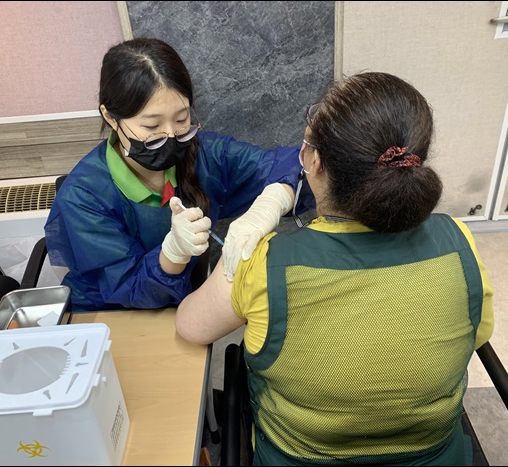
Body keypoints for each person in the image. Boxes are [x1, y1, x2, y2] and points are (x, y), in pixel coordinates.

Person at [176, 72, 494, 466]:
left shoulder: (265, 265)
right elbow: (475, 336)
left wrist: (177, 253)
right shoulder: (459, 243)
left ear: (313, 161)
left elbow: (190, 326)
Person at [44, 37, 313, 311]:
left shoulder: (206, 156)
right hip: (108, 315)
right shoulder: (83, 196)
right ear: (111, 117)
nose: (171, 136)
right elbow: (128, 287)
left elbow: (304, 165)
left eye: (182, 120)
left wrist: (274, 199)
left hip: (180, 308)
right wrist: (172, 253)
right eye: (152, 126)